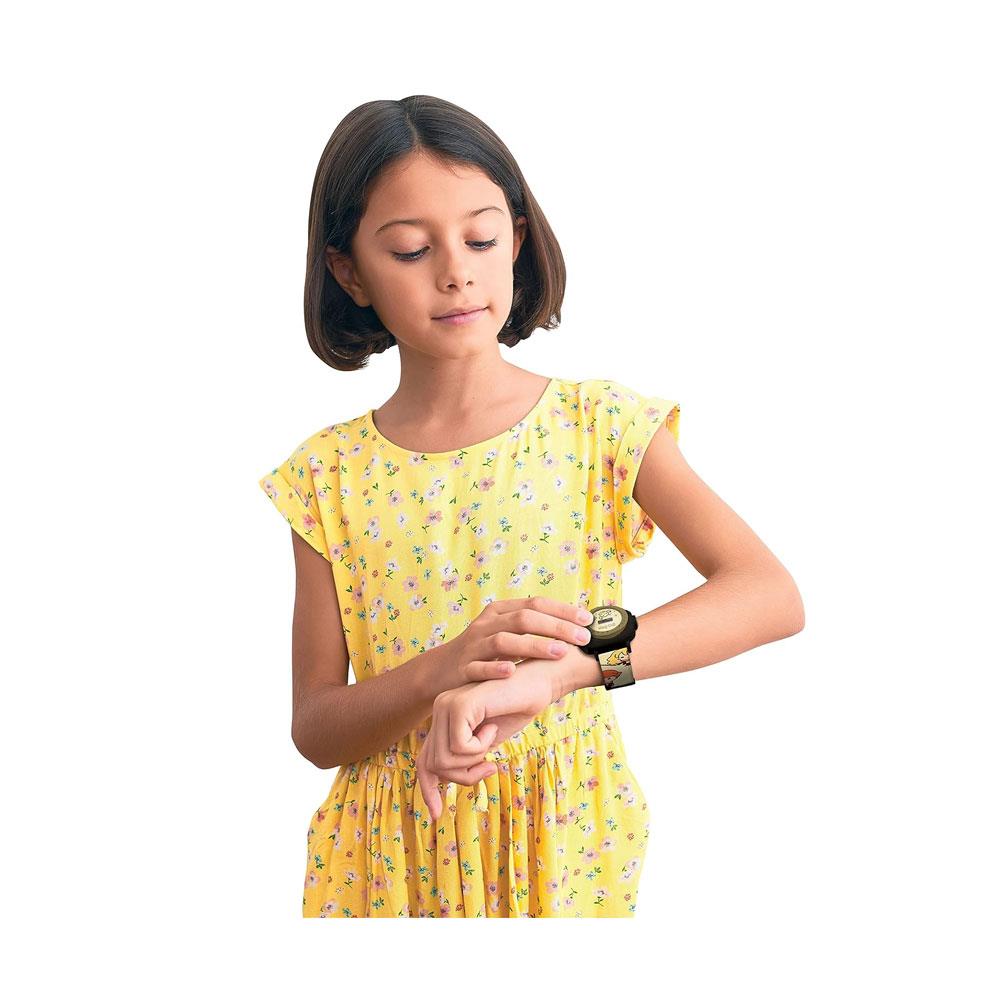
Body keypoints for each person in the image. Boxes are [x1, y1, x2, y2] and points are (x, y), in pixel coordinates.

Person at [258, 95, 805, 918]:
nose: (456, 271)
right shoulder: (327, 476)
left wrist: (569, 671)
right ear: (349, 272)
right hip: (387, 861)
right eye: (410, 250)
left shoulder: (601, 426)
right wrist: (443, 669)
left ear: (516, 240)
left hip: (561, 840)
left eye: (480, 239)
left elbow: (768, 594)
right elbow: (317, 728)